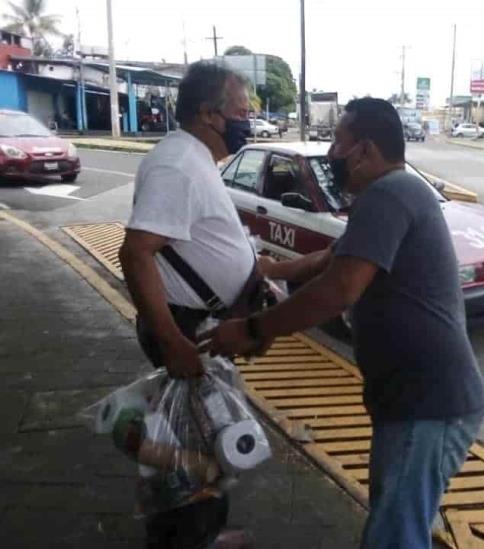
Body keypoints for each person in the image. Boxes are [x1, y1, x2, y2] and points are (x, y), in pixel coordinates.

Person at [199, 97, 484, 548]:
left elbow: (338, 289)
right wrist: (271, 270)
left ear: (365, 150)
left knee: (394, 536)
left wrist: (254, 329)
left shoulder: (389, 196)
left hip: (428, 403)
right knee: (400, 521)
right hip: (413, 399)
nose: (333, 153)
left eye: (338, 141)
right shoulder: (392, 194)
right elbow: (330, 259)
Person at [119, 60, 255, 549]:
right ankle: (190, 539)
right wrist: (172, 341)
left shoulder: (195, 158)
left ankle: (203, 535)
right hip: (184, 331)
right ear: (209, 114)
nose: (249, 119)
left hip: (198, 326)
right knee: (196, 447)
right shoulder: (178, 165)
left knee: (198, 439)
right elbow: (136, 252)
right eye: (242, 110)